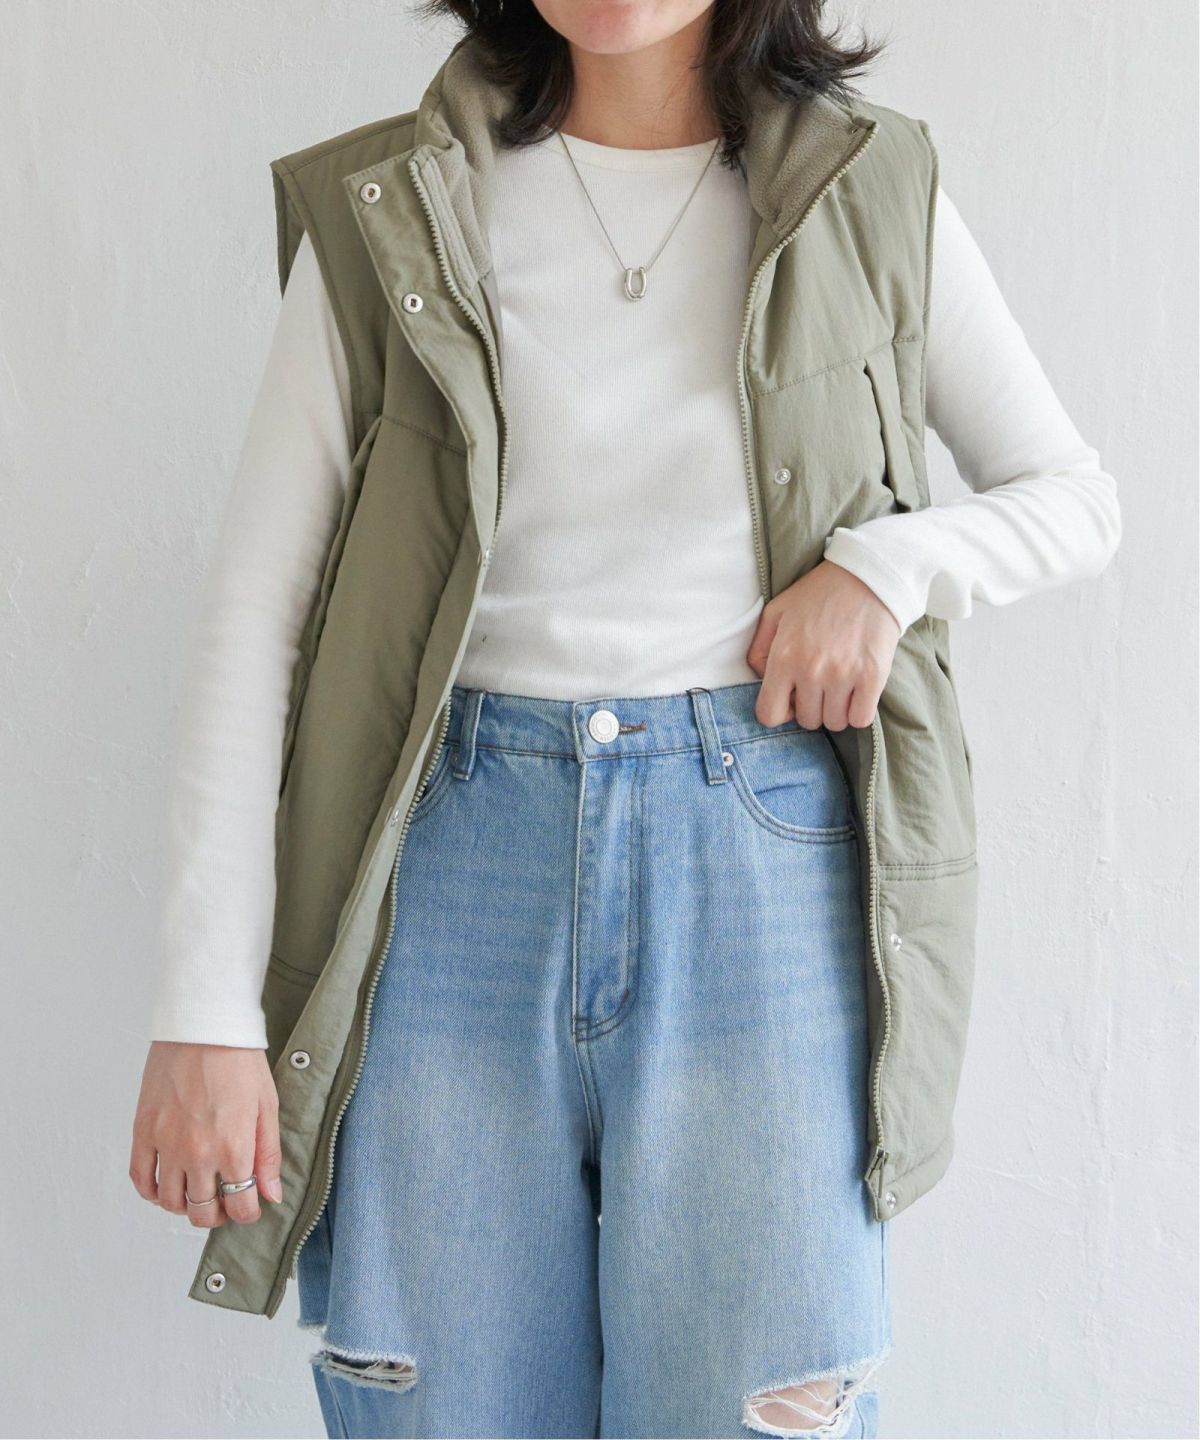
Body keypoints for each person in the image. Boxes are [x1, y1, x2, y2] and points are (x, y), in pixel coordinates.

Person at [129, 2, 1121, 1436]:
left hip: (763, 875)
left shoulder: (870, 187)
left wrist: (886, 570)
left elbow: (1073, 496)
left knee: (760, 1407)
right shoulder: (386, 206)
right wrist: (205, 1014)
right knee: (438, 1409)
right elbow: (254, 617)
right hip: (447, 883)